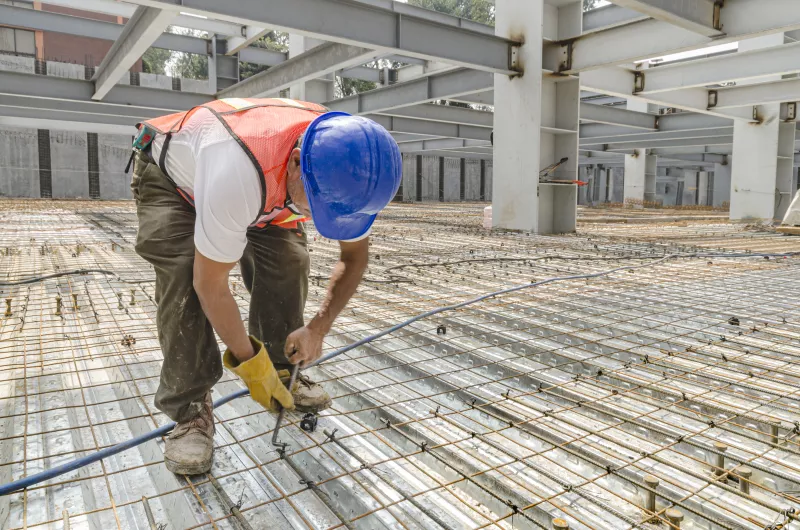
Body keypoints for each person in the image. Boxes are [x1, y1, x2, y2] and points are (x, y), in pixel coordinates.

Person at [129, 97, 402, 475]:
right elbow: (210, 284)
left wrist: (318, 328)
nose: (315, 217)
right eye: (317, 206)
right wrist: (249, 365)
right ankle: (190, 410)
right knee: (183, 277)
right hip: (175, 179)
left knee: (290, 259)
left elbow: (354, 258)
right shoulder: (237, 170)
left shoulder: (351, 167)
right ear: (295, 164)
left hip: (265, 181)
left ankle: (283, 367)